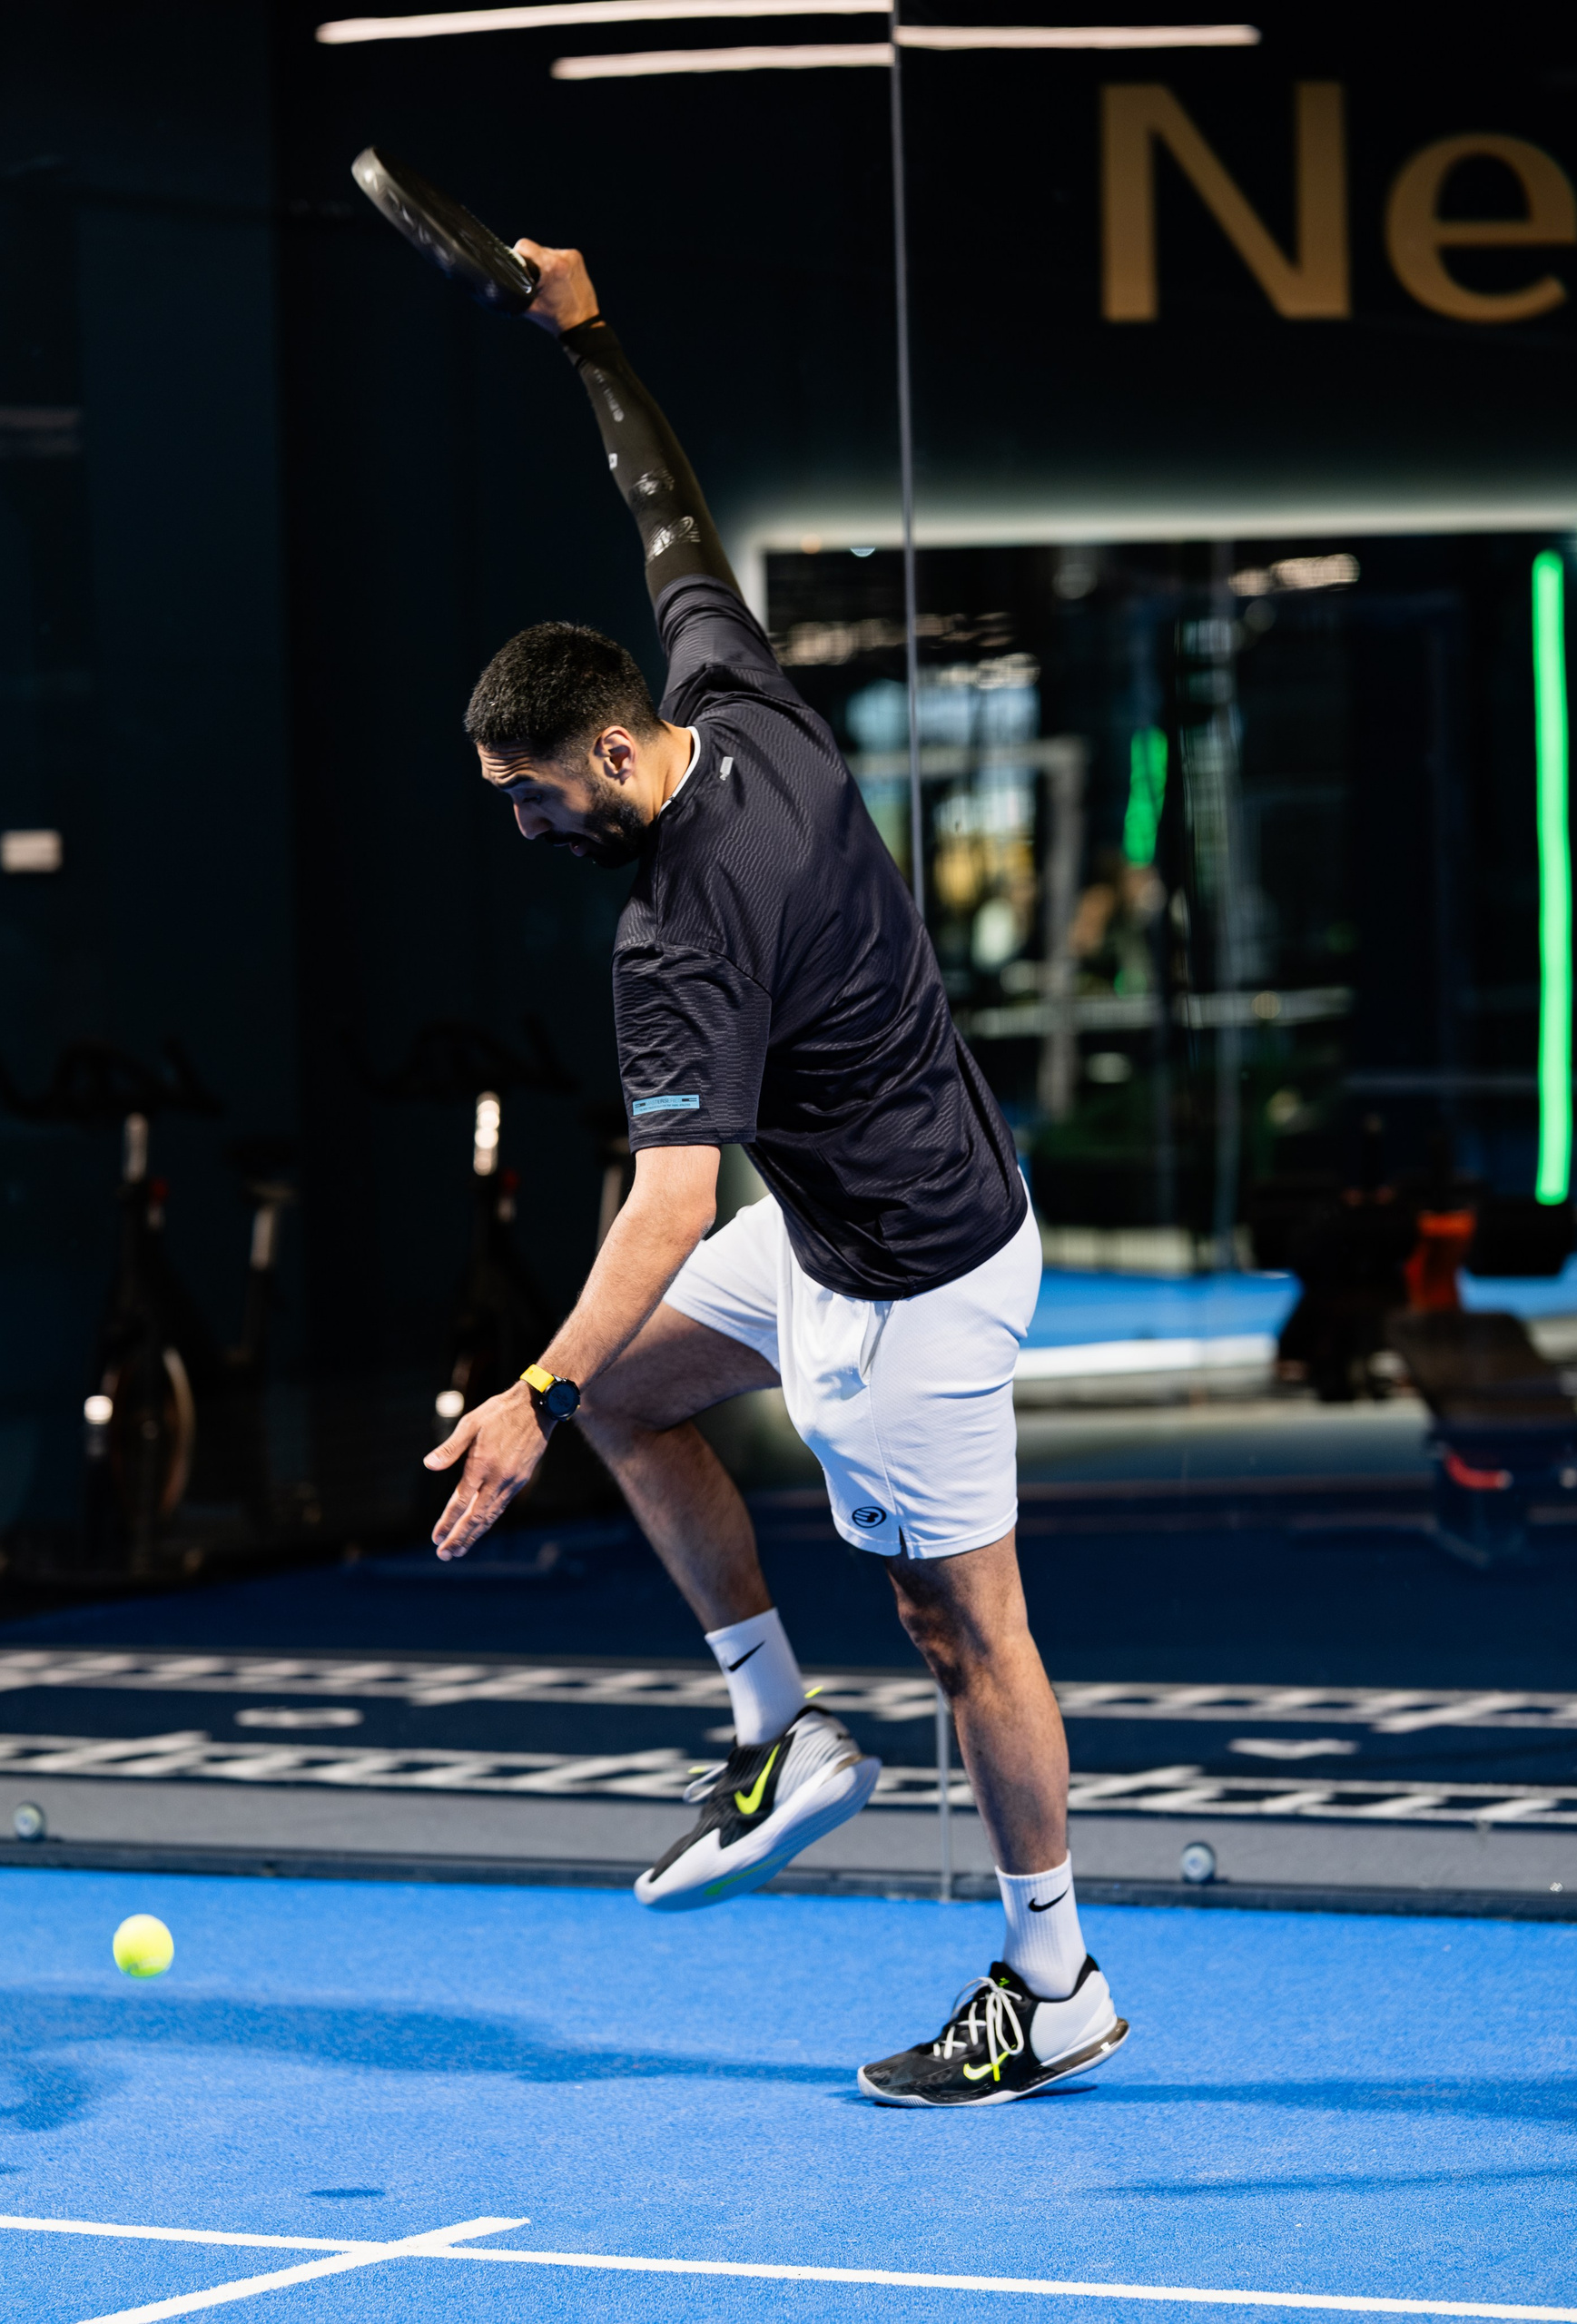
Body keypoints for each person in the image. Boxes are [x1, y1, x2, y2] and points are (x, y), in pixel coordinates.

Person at [423, 234, 1126, 2106]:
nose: (526, 824)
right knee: (640, 1393)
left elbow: (668, 1206)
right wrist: (591, 335)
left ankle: (1054, 1977)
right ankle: (779, 1733)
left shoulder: (677, 934)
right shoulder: (735, 694)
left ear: (611, 752)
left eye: (533, 794)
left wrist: (523, 1397)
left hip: (912, 1281)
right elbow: (669, 512)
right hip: (861, 1219)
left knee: (965, 1630)